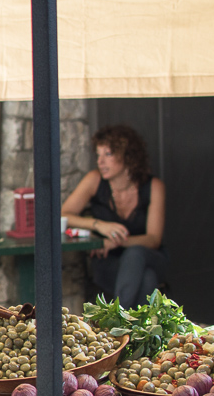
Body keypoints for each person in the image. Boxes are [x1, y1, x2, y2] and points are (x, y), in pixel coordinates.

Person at [61, 124, 166, 308]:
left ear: (128, 156)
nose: (100, 161)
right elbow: (62, 215)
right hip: (108, 261)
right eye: (98, 155)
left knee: (135, 253)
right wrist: (99, 225)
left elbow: (153, 239)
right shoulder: (94, 180)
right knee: (147, 279)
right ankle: (137, 333)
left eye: (108, 154)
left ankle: (118, 320)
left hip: (147, 255)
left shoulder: (153, 186)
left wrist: (117, 241)